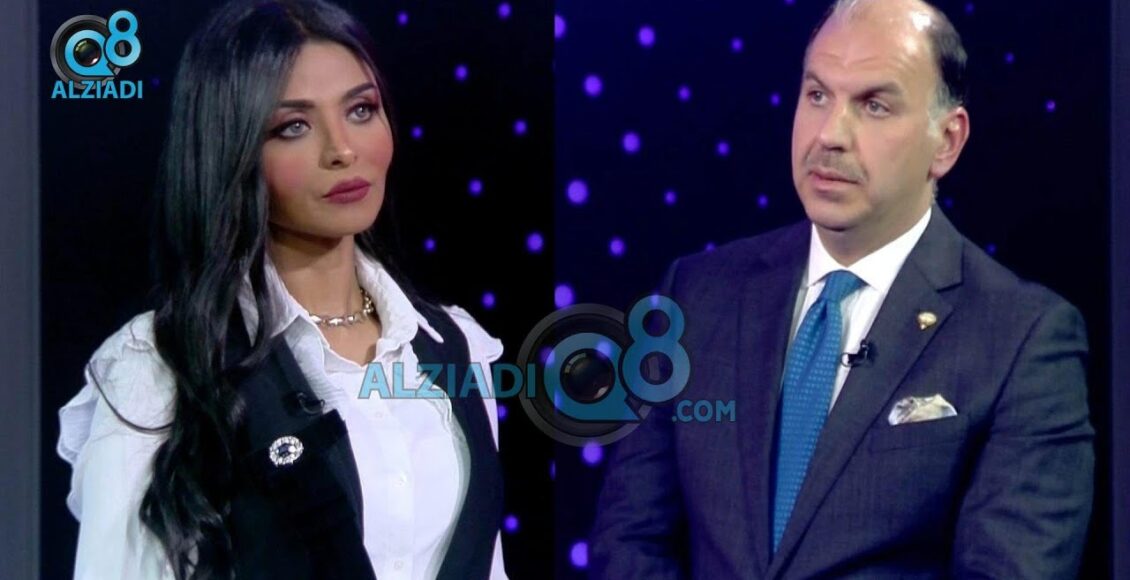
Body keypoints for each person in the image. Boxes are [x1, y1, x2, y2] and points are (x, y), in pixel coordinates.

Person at [590, 0, 1094, 578]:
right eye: (817, 95)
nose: (830, 134)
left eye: (874, 105)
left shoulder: (1023, 339)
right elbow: (629, 542)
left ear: (946, 141)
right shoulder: (695, 296)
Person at [55, 1, 507, 578]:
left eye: (361, 110)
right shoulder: (163, 365)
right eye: (293, 126)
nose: (342, 150)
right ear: (233, 149)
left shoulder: (456, 346)